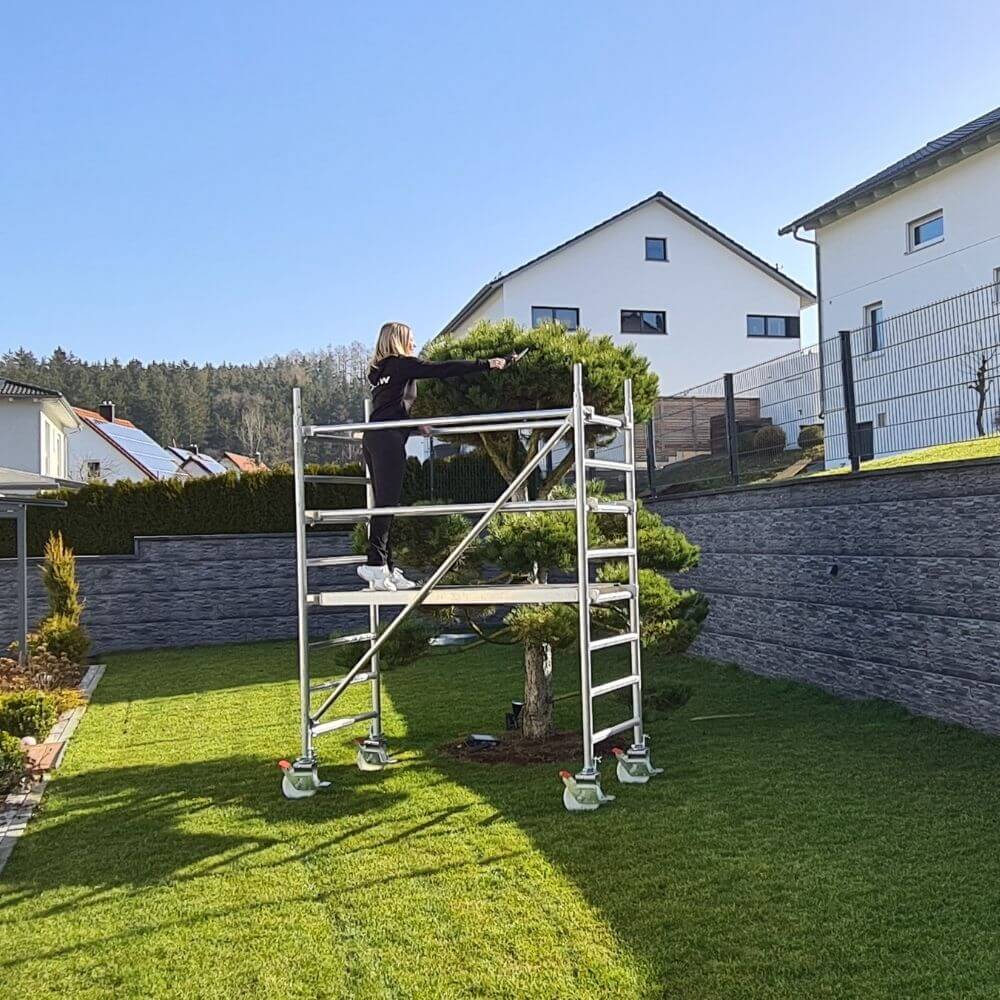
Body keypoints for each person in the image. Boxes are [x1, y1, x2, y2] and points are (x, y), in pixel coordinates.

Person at [358, 321, 507, 591]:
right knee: (387, 504)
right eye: (411, 339)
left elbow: (388, 408)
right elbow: (443, 369)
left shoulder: (379, 371)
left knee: (385, 503)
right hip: (387, 439)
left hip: (375, 436)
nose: (414, 343)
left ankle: (385, 568)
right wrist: (487, 363)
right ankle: (375, 564)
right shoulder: (402, 364)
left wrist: (415, 426)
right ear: (398, 340)